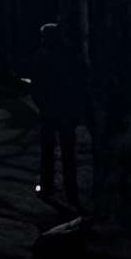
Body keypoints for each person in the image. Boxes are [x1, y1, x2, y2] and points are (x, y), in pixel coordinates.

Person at [34, 22, 89, 207]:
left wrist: (42, 106)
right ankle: (70, 188)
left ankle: (47, 185)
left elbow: (37, 87)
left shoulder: (42, 57)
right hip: (66, 110)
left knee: (48, 151)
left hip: (50, 110)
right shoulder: (71, 56)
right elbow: (81, 82)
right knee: (68, 152)